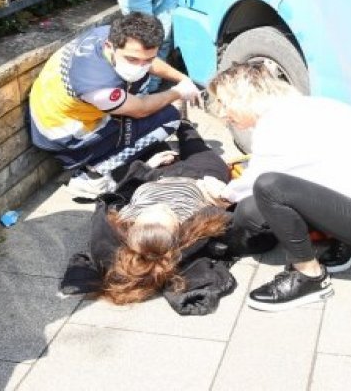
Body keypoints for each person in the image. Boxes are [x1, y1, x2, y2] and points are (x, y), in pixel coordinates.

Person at [207, 62, 351, 312]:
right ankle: (347, 239)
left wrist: (221, 195)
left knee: (268, 188)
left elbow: (257, 181)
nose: (222, 113)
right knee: (252, 209)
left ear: (244, 97)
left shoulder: (276, 124)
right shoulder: (302, 108)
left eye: (224, 104)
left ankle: (310, 277)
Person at [59, 121, 246, 315]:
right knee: (196, 146)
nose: (161, 206)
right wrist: (221, 197)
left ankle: (176, 124)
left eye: (149, 211)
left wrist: (147, 167)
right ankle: (185, 126)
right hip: (200, 176)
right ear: (177, 231)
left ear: (132, 227)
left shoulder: (124, 218)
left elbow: (124, 190)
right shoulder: (193, 224)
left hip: (158, 173)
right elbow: (229, 216)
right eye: (168, 213)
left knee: (152, 141)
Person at [28, 12, 201, 195]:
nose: (140, 66)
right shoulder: (99, 84)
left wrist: (183, 79)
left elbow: (145, 59)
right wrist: (178, 92)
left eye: (148, 60)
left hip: (53, 113)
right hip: (67, 138)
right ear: (109, 46)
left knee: (141, 87)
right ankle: (92, 176)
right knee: (170, 118)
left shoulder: (111, 35)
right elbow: (141, 109)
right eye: (132, 59)